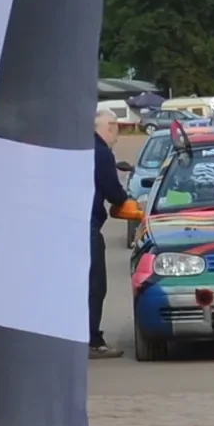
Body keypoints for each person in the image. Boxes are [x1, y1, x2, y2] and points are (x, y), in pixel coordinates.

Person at [89, 110, 130, 355]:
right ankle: (93, 341)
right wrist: (124, 198)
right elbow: (114, 193)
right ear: (110, 127)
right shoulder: (102, 153)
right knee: (95, 286)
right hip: (88, 228)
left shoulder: (81, 148)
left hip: (69, 226)